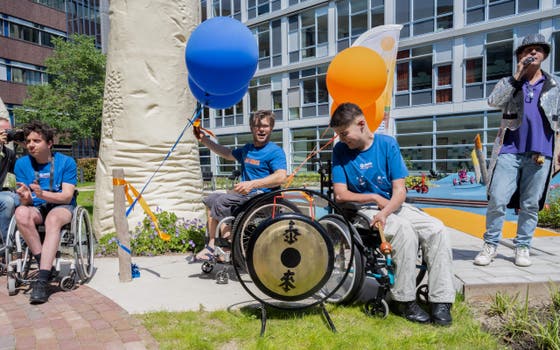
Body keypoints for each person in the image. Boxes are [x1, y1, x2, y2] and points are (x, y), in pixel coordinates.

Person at [330, 102, 455, 326]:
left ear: (361, 124)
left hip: (392, 205)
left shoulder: (387, 144)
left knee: (437, 229)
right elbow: (340, 195)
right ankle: (405, 300)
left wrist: (386, 210)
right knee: (404, 230)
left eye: (344, 133)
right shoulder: (340, 151)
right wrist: (374, 198)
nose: (341, 139)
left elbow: (400, 191)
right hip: (362, 208)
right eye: (339, 134)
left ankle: (441, 300)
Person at [474, 33, 560, 267]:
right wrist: (517, 74)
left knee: (531, 204)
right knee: (498, 199)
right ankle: (490, 244)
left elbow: (558, 121)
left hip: (541, 153)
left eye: (537, 49)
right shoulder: (510, 82)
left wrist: (559, 149)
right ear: (520, 56)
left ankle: (523, 246)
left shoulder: (554, 85)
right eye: (527, 50)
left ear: (544, 55)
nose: (532, 53)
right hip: (509, 150)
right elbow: (494, 101)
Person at [193, 110, 287, 261]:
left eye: (265, 126)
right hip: (246, 197)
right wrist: (204, 140)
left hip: (263, 198)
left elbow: (281, 176)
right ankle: (213, 244)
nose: (261, 129)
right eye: (257, 125)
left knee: (222, 202)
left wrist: (252, 184)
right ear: (251, 128)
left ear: (271, 128)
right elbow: (227, 153)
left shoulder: (275, 151)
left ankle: (226, 246)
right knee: (211, 199)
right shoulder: (247, 149)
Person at [14, 121, 77, 304]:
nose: (31, 145)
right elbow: (27, 201)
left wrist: (43, 194)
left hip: (62, 207)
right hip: (38, 206)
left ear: (49, 143)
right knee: (20, 213)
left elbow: (66, 196)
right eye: (28, 141)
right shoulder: (22, 164)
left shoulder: (67, 162)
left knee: (53, 218)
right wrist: (25, 197)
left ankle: (41, 281)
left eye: (36, 140)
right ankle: (45, 264)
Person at [0, 117, 18, 243]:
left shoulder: (9, 154)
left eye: (8, 130)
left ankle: (21, 243)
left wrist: (25, 143)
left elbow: (14, 176)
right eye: (3, 130)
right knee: (8, 201)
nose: (6, 133)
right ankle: (5, 245)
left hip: (2, 191)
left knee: (20, 199)